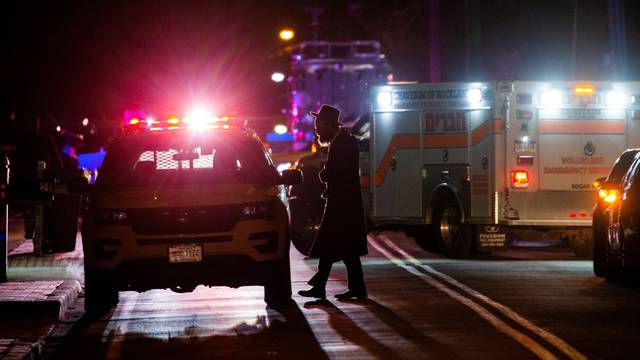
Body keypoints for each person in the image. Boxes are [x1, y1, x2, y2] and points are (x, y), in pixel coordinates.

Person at [298, 104, 368, 300]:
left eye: (319, 126)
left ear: (329, 125)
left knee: (337, 247)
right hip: (341, 203)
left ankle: (326, 287)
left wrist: (325, 173)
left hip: (343, 205)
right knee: (343, 249)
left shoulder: (344, 143)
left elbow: (343, 174)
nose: (317, 130)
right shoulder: (342, 141)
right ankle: (353, 289)